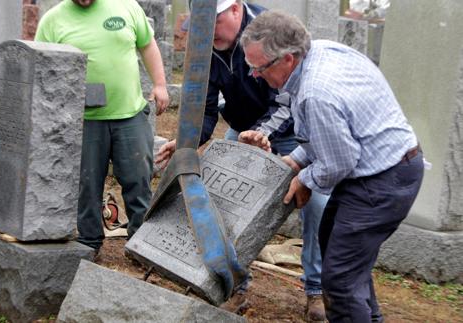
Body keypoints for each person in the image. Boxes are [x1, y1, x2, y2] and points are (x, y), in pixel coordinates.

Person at [239, 11, 424, 322]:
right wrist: (295, 160)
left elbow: (339, 161)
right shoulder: (321, 51)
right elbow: (331, 134)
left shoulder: (315, 92)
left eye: (259, 68)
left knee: (339, 280)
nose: (255, 75)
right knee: (340, 255)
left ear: (288, 58)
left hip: (382, 180)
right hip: (384, 166)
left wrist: (304, 178)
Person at [156, 0, 328, 319]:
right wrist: (188, 140)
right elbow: (206, 108)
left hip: (292, 131)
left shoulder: (270, 31)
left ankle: (316, 289)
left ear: (235, 9)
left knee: (316, 205)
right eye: (202, 22)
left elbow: (288, 101)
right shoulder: (207, 44)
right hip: (242, 128)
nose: (208, 31)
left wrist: (262, 133)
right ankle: (233, 280)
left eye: (215, 21)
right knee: (224, 195)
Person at [35, 0, 169, 254]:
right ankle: (89, 241)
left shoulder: (126, 6)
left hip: (130, 114)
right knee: (87, 183)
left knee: (138, 179)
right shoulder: (53, 21)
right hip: (84, 120)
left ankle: (141, 243)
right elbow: (44, 67)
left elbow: (147, 45)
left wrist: (160, 84)